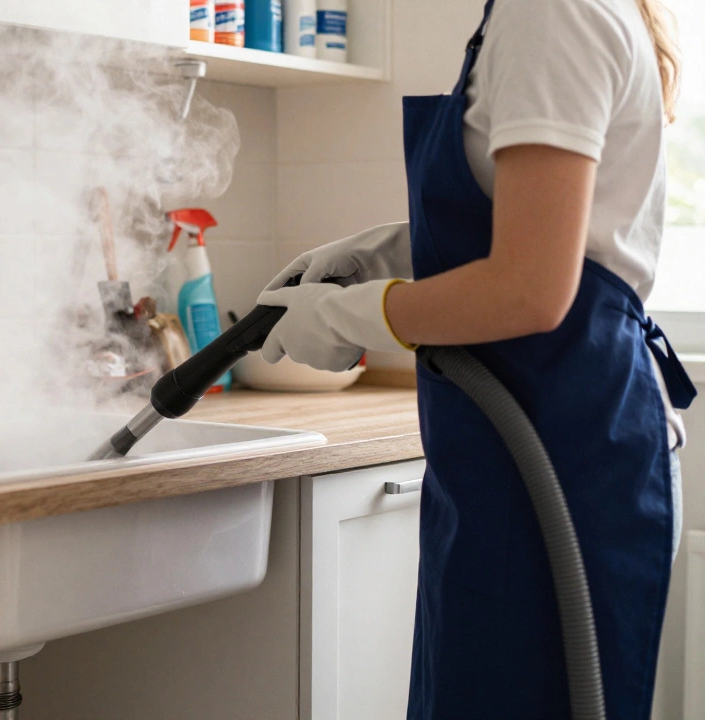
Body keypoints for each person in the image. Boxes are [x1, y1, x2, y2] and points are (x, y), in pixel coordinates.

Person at [255, 0, 697, 716]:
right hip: (516, 452)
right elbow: (536, 224)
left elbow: (530, 288)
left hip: (562, 457)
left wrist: (351, 316)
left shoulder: (551, 11)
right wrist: (390, 250)